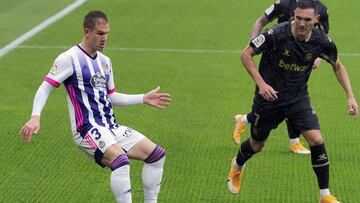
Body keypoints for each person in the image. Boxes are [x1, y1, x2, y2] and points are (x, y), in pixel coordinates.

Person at [19, 10, 171, 203]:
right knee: (121, 162)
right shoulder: (69, 58)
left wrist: (142, 98)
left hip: (111, 127)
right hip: (86, 129)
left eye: (107, 33)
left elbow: (111, 97)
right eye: (100, 33)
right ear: (87, 32)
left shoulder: (105, 62)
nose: (105, 38)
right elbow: (45, 87)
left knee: (157, 155)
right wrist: (35, 116)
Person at [227, 1, 358, 203]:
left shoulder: (322, 41)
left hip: (298, 98)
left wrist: (350, 96)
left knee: (316, 140)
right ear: (293, 17)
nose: (302, 24)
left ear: (316, 20)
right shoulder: (276, 34)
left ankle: (325, 195)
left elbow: (337, 65)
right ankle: (237, 164)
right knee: (257, 144)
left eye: (307, 20)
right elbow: (246, 55)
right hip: (269, 99)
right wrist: (261, 84)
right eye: (299, 19)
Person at [233, 0, 329, 154]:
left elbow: (324, 36)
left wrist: (317, 55)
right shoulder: (283, 4)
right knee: (277, 100)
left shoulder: (320, 9)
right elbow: (261, 21)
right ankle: (246, 121)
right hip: (277, 59)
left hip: (301, 57)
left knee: (295, 96)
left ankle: (293, 141)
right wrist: (252, 43)